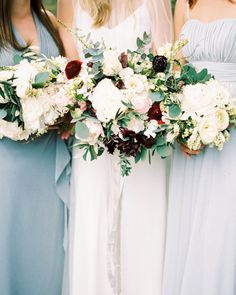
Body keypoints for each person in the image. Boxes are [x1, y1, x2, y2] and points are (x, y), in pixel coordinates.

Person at [58, 0, 172, 294]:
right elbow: (70, 73)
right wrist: (91, 105)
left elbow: (168, 69)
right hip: (92, 139)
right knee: (93, 222)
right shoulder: (70, 3)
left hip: (143, 139)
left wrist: (138, 105)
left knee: (143, 221)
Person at [163, 0, 236, 294]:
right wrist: (181, 126)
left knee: (224, 229)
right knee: (194, 228)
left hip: (231, 132)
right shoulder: (185, 3)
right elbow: (177, 68)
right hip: (193, 136)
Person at [0, 1, 70, 294]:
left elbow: (72, 80)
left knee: (48, 251)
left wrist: (67, 114)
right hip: (10, 164)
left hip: (48, 159)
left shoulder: (50, 21)